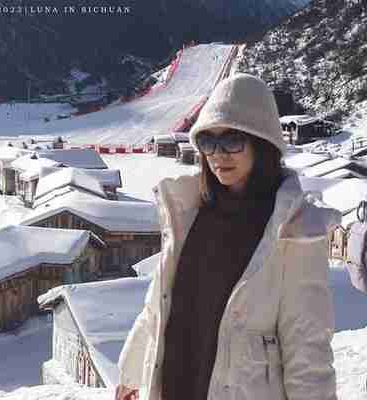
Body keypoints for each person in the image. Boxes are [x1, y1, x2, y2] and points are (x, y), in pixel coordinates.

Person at [116, 73, 340, 400]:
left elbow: (307, 343)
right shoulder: (189, 211)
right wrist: (132, 372)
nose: (218, 154)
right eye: (208, 142)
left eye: (232, 140)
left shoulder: (295, 229)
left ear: (262, 144)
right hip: (176, 385)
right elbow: (159, 304)